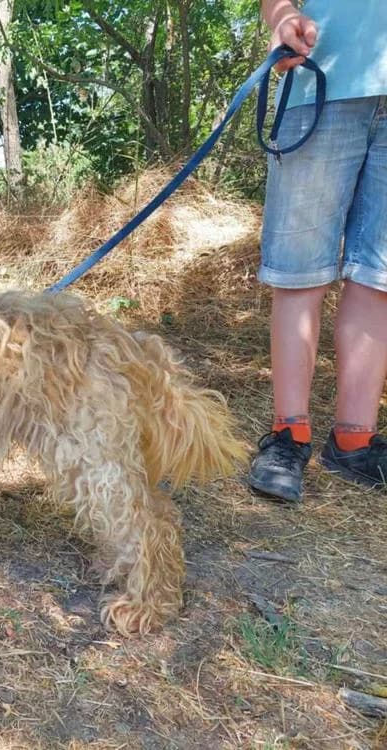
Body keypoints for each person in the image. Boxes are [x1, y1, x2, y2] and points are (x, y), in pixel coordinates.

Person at [248, 0, 387, 502]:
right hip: (321, 82)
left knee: (380, 276)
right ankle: (290, 435)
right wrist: (282, 15)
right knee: (298, 270)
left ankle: (354, 440)